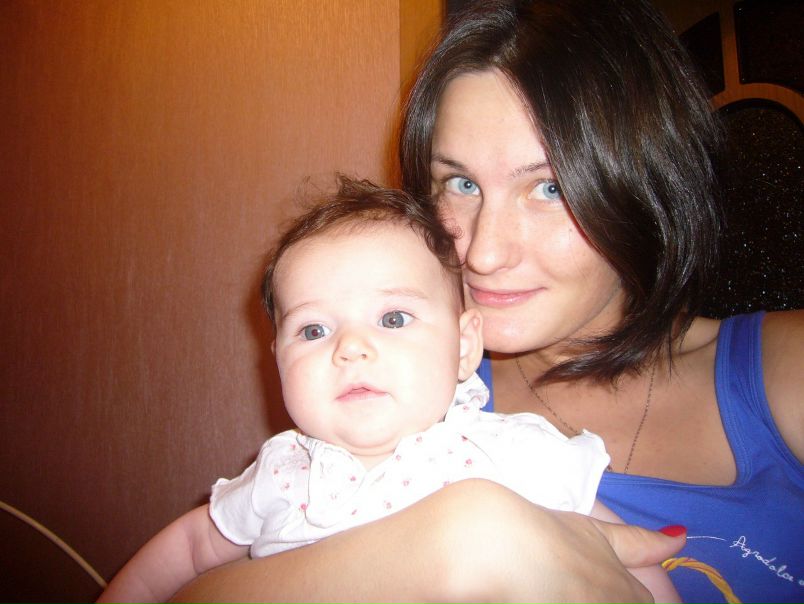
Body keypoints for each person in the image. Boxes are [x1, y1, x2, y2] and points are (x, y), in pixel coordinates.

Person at [168, 0, 801, 602]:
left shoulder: (785, 369)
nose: (484, 252)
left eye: (550, 187)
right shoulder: (405, 392)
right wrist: (453, 547)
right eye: (461, 183)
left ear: (648, 186)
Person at [98, 177, 680, 603]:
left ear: (464, 346)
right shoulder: (282, 473)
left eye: (393, 318)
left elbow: (618, 558)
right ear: (276, 360)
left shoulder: (511, 453)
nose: (349, 347)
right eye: (313, 330)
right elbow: (190, 550)